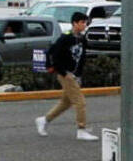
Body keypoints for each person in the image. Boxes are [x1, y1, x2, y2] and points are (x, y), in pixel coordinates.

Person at [36, 11, 98, 141]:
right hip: (65, 74)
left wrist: (79, 75)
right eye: (82, 22)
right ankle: (81, 129)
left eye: (85, 22)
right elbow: (53, 53)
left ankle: (44, 120)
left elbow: (82, 58)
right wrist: (63, 72)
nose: (84, 25)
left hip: (74, 75)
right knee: (80, 102)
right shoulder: (65, 37)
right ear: (75, 23)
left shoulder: (81, 38)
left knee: (65, 102)